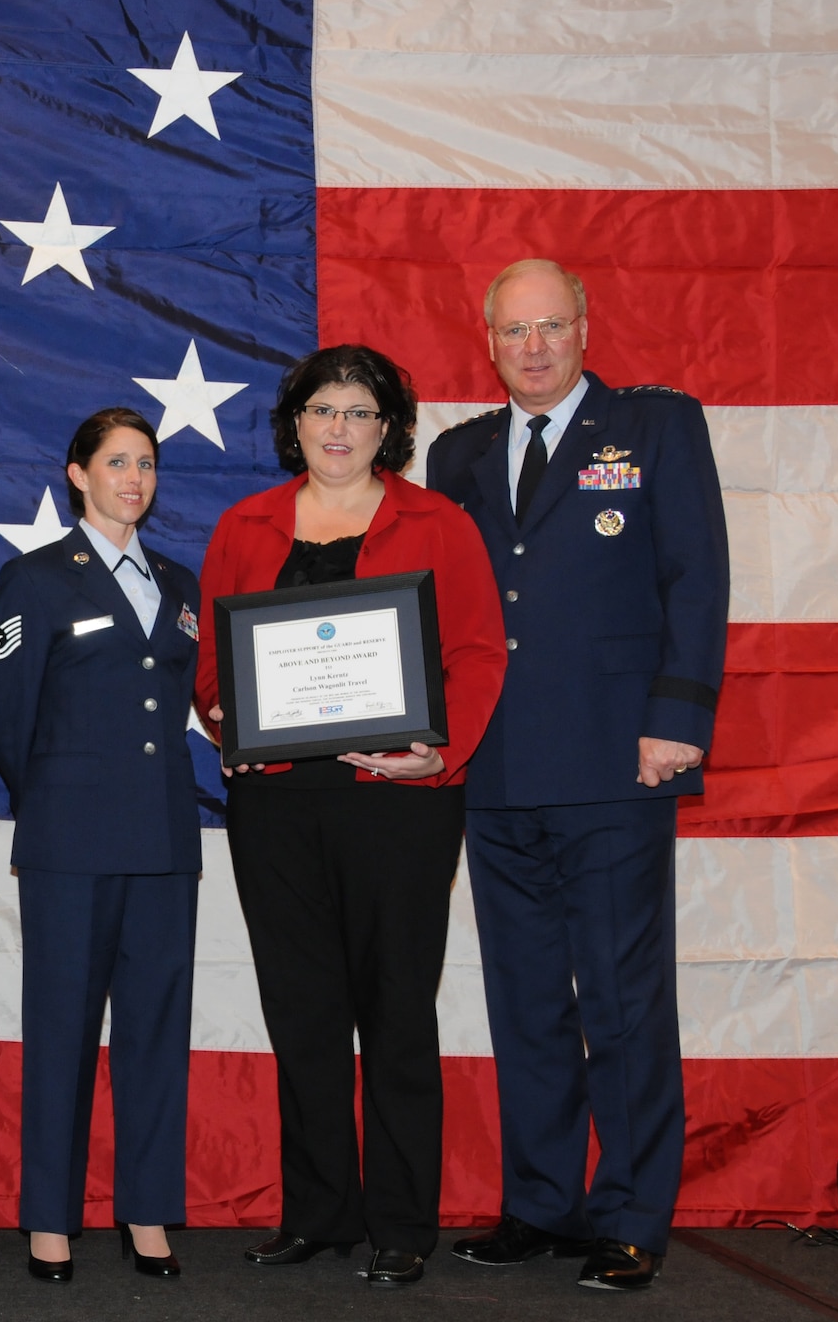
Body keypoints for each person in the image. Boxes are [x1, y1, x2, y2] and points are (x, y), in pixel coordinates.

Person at [428, 259, 729, 1291]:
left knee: (620, 996)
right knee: (523, 999)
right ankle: (539, 1200)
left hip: (614, 760)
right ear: (488, 339)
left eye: (551, 325)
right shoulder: (455, 451)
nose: (535, 346)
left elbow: (694, 573)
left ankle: (632, 1210)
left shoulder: (654, 429)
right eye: (515, 331)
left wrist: (677, 717)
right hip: (496, 765)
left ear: (584, 327)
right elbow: (449, 612)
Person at [195, 344, 507, 1289]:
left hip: (401, 802)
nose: (339, 428)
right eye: (323, 409)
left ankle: (403, 1221)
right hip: (277, 802)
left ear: (389, 430)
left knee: (397, 1009)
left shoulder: (439, 522)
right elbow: (213, 666)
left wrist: (438, 754)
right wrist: (226, 727)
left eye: (360, 412)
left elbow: (480, 654)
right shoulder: (244, 524)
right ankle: (319, 1212)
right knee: (304, 1010)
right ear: (295, 423)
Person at [0, 407, 202, 1283]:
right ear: (78, 474)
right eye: (117, 463)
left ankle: (147, 1210)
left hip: (162, 840)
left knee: (157, 1031)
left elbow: (188, 704)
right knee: (63, 1030)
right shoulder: (34, 579)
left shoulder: (180, 585)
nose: (134, 479)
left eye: (146, 464)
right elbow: (9, 715)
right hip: (70, 841)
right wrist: (57, 803)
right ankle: (50, 1219)